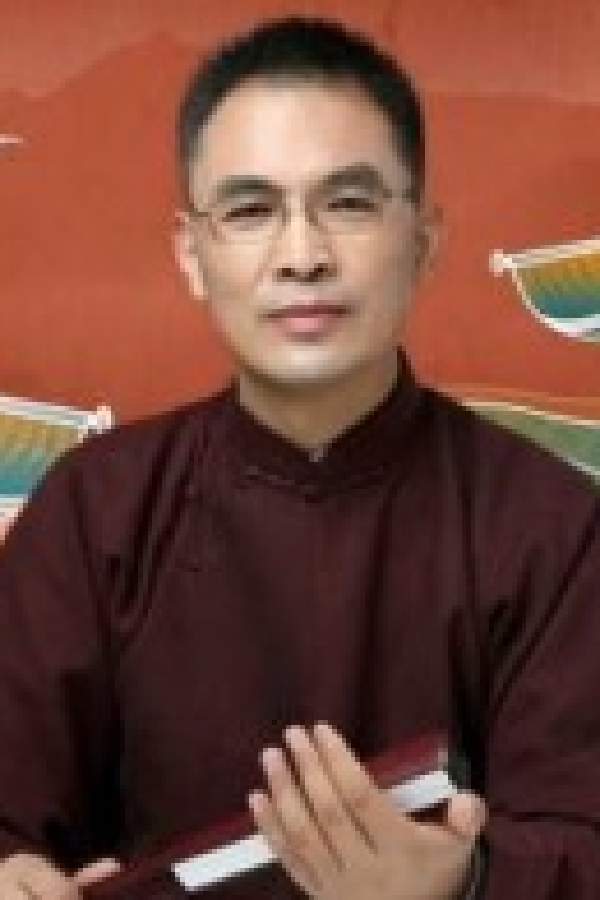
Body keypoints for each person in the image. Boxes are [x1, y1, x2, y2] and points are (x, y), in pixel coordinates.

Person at [0, 15, 599, 900]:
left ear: (424, 243)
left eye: (348, 204)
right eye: (251, 211)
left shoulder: (552, 526)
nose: (303, 256)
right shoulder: (95, 510)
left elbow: (581, 840)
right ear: (192, 255)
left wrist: (466, 882)